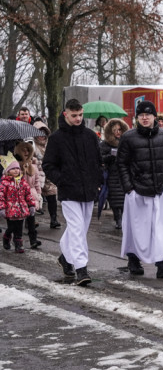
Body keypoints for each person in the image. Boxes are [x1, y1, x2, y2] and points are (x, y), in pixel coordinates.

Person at [40, 98, 103, 285]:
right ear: (65, 114)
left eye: (80, 115)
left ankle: (65, 259)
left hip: (88, 189)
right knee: (76, 228)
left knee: (80, 229)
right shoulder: (57, 138)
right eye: (74, 115)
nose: (78, 118)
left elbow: (98, 162)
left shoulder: (91, 136)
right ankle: (81, 268)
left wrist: (98, 182)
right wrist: (62, 180)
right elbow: (48, 165)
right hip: (69, 191)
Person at [117, 100, 163, 278]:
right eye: (141, 115)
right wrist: (129, 188)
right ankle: (134, 259)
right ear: (137, 118)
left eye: (148, 115)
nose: (145, 118)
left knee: (162, 228)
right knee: (137, 228)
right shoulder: (128, 137)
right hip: (137, 191)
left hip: (160, 189)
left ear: (154, 116)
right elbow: (122, 164)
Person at [0, 156, 37, 256]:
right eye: (13, 169)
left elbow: (28, 195)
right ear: (8, 171)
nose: (16, 170)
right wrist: (2, 208)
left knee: (19, 228)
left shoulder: (23, 182)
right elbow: (1, 196)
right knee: (11, 227)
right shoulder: (4, 183)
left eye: (17, 168)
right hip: (10, 209)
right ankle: (7, 237)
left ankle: (18, 244)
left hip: (21, 209)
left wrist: (31, 205)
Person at [12, 139, 44, 248]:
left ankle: (33, 240)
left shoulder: (33, 166)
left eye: (28, 150)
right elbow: (10, 180)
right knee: (19, 221)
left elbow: (36, 183)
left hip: (31, 196)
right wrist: (21, 170)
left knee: (31, 219)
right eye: (23, 150)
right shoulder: (14, 167)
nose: (26, 153)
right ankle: (18, 240)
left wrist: (39, 195)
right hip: (18, 197)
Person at [99, 119, 129, 229]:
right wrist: (110, 157)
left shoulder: (127, 141)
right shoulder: (105, 144)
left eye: (119, 129)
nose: (117, 132)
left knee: (125, 197)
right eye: (115, 130)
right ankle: (118, 218)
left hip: (124, 173)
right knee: (115, 198)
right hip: (112, 174)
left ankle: (125, 218)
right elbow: (100, 158)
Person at [31, 121, 60, 229]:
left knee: (52, 195)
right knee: (33, 198)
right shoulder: (31, 144)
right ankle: (31, 220)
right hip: (35, 174)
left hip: (49, 174)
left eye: (43, 133)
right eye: (39, 133)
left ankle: (54, 219)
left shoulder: (50, 144)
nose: (41, 136)